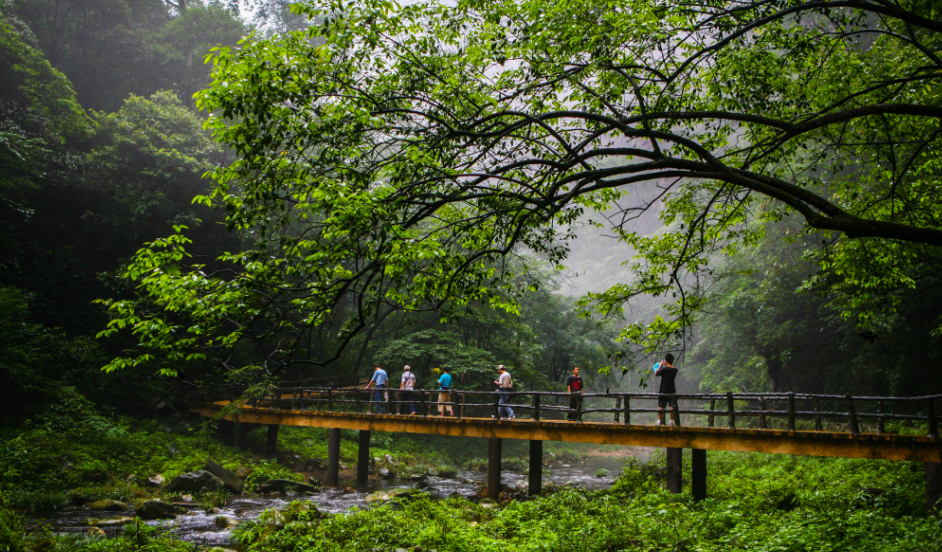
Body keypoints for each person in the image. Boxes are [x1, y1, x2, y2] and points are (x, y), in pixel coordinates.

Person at [654, 354, 679, 427]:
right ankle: (671, 421)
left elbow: (656, 374)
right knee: (672, 406)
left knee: (661, 406)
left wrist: (660, 365)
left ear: (666, 360)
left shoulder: (664, 369)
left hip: (663, 389)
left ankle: (659, 421)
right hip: (672, 390)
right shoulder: (675, 370)